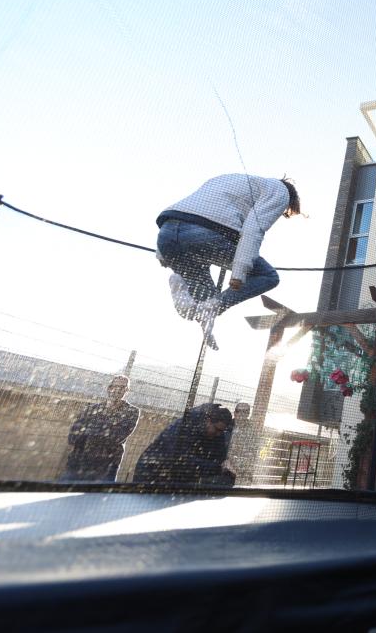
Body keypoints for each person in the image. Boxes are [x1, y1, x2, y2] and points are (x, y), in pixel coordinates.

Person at [156, 173, 301, 350]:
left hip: (167, 234)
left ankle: (182, 287)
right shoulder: (280, 191)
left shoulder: (227, 179)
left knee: (205, 300)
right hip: (204, 234)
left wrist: (162, 252)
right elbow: (253, 229)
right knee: (268, 276)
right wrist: (239, 273)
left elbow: (189, 210)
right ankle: (211, 308)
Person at [134, 403, 236, 488]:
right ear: (208, 421)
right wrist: (218, 468)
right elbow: (182, 460)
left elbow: (219, 460)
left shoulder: (218, 433)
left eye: (222, 431)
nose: (219, 434)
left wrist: (225, 466)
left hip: (178, 478)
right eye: (217, 429)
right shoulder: (184, 427)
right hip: (152, 472)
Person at [61, 375, 140, 483]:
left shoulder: (131, 412)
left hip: (106, 466)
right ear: (109, 388)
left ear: (127, 391)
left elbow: (117, 437)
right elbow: (73, 435)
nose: (117, 390)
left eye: (122, 388)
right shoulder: (91, 409)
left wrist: (89, 431)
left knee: (97, 497)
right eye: (115, 386)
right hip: (78, 463)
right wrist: (103, 431)